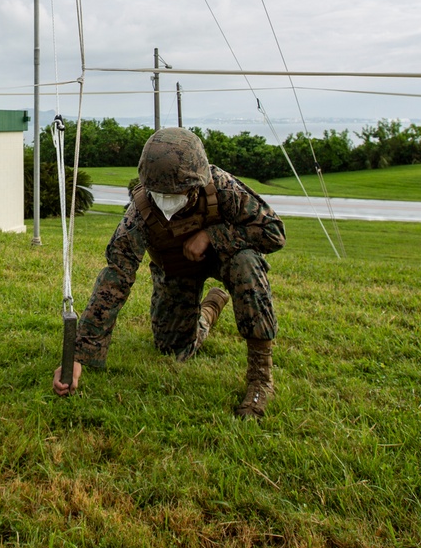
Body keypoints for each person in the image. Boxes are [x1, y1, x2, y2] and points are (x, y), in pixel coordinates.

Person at [53, 127, 284, 417]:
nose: (165, 200)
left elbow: (273, 232)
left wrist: (212, 236)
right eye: (158, 192)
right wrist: (79, 356)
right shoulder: (139, 212)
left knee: (247, 262)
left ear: (196, 183)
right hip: (177, 268)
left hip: (227, 259)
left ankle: (260, 379)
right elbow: (115, 277)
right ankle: (209, 311)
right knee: (172, 348)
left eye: (175, 193)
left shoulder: (223, 188)